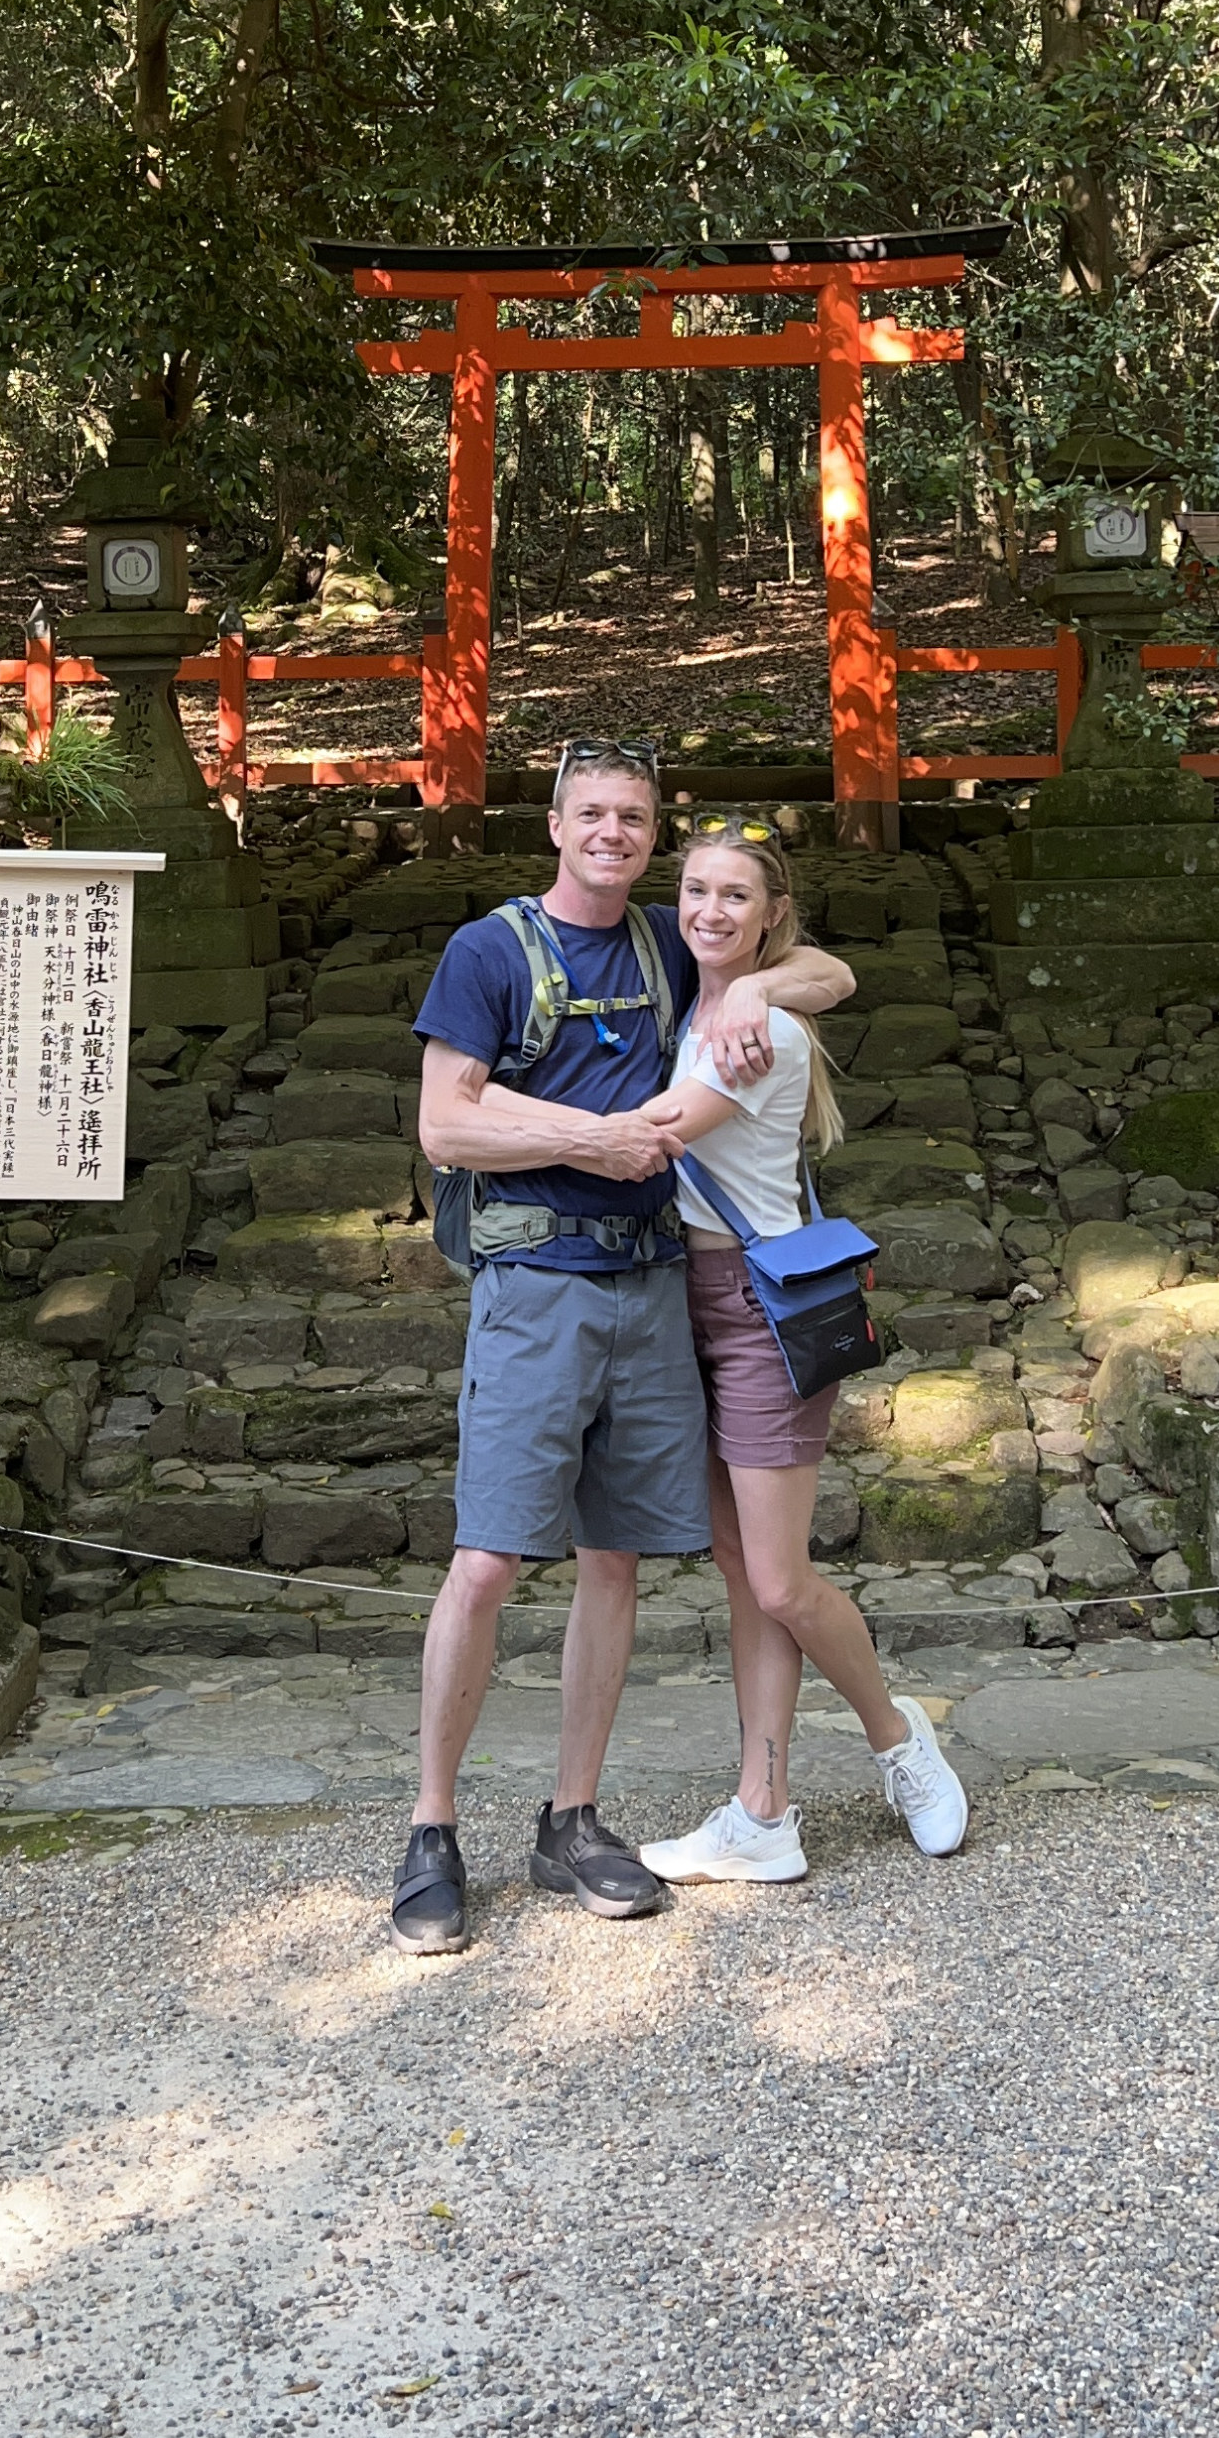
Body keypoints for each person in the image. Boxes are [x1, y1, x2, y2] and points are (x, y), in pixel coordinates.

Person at [392, 741, 856, 1956]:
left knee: (615, 1560)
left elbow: (825, 963)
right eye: (591, 812)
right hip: (537, 1285)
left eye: (634, 817)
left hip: (652, 1286)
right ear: (554, 824)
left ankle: (573, 1816)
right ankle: (432, 1826)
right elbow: (443, 1123)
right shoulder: (489, 950)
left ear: (653, 836)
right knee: (487, 1560)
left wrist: (757, 993)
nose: (612, 832)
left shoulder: (666, 937)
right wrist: (589, 1138)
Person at [638, 823, 968, 1885]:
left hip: (755, 1304)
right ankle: (763, 1812)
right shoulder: (688, 992)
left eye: (737, 895)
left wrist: (486, 1121)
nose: (711, 911)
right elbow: (832, 970)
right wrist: (752, 981)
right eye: (696, 889)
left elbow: (656, 1133)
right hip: (677, 1300)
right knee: (742, 1571)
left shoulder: (762, 1029)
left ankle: (898, 1739)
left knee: (779, 1578)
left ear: (773, 911)